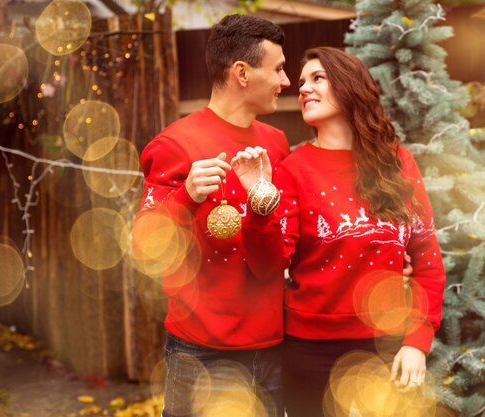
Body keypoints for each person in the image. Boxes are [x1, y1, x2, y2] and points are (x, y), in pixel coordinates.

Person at [264, 46, 446, 417]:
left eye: (317, 78)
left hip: (387, 347)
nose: (302, 89)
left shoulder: (397, 164)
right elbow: (271, 261)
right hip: (308, 353)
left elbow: (427, 259)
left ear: (349, 86)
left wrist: (416, 342)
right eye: (301, 82)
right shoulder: (293, 170)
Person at [135, 14, 291, 417]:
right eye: (277, 69)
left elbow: (272, 262)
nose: (286, 82)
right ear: (242, 73)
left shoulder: (276, 144)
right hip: (200, 354)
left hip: (271, 349)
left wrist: (260, 206)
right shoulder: (174, 144)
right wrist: (185, 197)